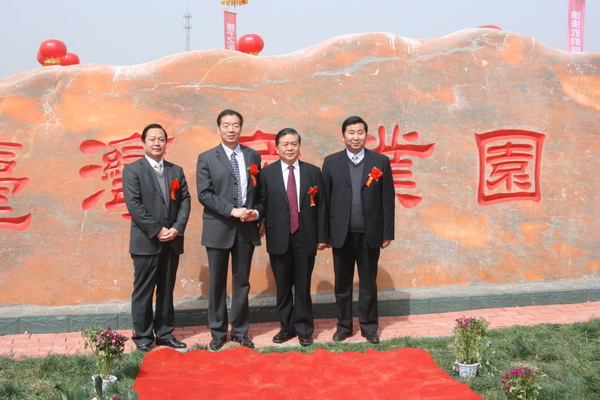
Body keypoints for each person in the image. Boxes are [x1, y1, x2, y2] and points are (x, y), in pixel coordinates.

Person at [321, 116, 395, 344]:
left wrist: (387, 232)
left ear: (366, 135)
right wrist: (324, 235)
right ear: (343, 136)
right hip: (340, 234)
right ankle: (343, 327)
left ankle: (369, 327)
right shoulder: (331, 162)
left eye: (360, 132)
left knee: (368, 283)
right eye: (351, 132)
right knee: (342, 285)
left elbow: (387, 199)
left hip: (370, 233)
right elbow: (324, 201)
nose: (356, 137)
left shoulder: (380, 161)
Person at [196, 109, 263, 351]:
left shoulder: (253, 156)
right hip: (218, 227)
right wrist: (233, 211)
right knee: (217, 283)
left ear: (241, 128)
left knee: (242, 282)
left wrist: (257, 213)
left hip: (246, 229)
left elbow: (260, 192)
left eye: (235, 125)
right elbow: (204, 194)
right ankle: (217, 332)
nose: (231, 129)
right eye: (226, 125)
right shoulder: (206, 158)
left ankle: (240, 331)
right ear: (219, 129)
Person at [123, 123, 191, 352]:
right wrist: (157, 230)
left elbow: (185, 201)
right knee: (143, 291)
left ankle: (164, 333)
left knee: (166, 290)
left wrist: (177, 228)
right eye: (152, 139)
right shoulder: (133, 170)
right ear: (143, 142)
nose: (156, 143)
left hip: (172, 241)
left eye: (161, 139)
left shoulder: (175, 171)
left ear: (166, 143)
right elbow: (134, 205)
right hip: (146, 242)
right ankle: (142, 336)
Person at [259, 128, 328, 346]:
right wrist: (258, 218)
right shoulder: (266, 174)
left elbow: (322, 207)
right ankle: (286, 328)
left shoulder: (313, 172)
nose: (290, 148)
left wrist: (322, 236)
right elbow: (262, 203)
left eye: (294, 144)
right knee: (282, 287)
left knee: (303, 285)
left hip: (305, 236)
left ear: (299, 146)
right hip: (278, 236)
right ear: (277, 148)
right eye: (285, 144)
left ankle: (305, 329)